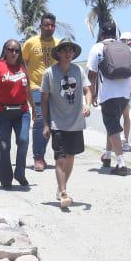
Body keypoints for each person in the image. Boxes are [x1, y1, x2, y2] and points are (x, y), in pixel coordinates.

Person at [41, 40, 90, 212]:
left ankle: (62, 186)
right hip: (57, 123)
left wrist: (88, 104)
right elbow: (44, 99)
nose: (68, 54)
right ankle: (63, 192)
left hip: (76, 122)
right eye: (65, 51)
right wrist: (46, 124)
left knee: (70, 157)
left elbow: (87, 90)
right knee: (60, 158)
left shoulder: (78, 70)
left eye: (71, 51)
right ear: (59, 53)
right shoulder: (49, 73)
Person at [87, 21, 131, 174]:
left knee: (112, 126)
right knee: (112, 123)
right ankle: (107, 156)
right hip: (125, 93)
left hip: (108, 94)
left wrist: (92, 94)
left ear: (101, 34)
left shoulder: (97, 48)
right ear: (115, 34)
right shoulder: (126, 48)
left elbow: (91, 75)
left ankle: (121, 163)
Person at [0, 39, 31, 190]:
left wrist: (36, 111)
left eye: (17, 50)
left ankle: (20, 172)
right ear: (5, 50)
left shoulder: (23, 67)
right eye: (10, 49)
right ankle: (6, 179)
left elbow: (28, 89)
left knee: (23, 140)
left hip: (22, 111)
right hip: (1, 112)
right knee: (5, 145)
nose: (14, 53)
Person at [21, 15, 59, 172]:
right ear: (41, 26)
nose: (49, 28)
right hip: (36, 87)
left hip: (56, 89)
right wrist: (25, 85)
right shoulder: (31, 43)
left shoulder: (59, 44)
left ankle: (60, 155)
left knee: (55, 123)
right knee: (40, 121)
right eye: (46, 25)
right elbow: (22, 64)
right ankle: (38, 156)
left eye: (51, 25)